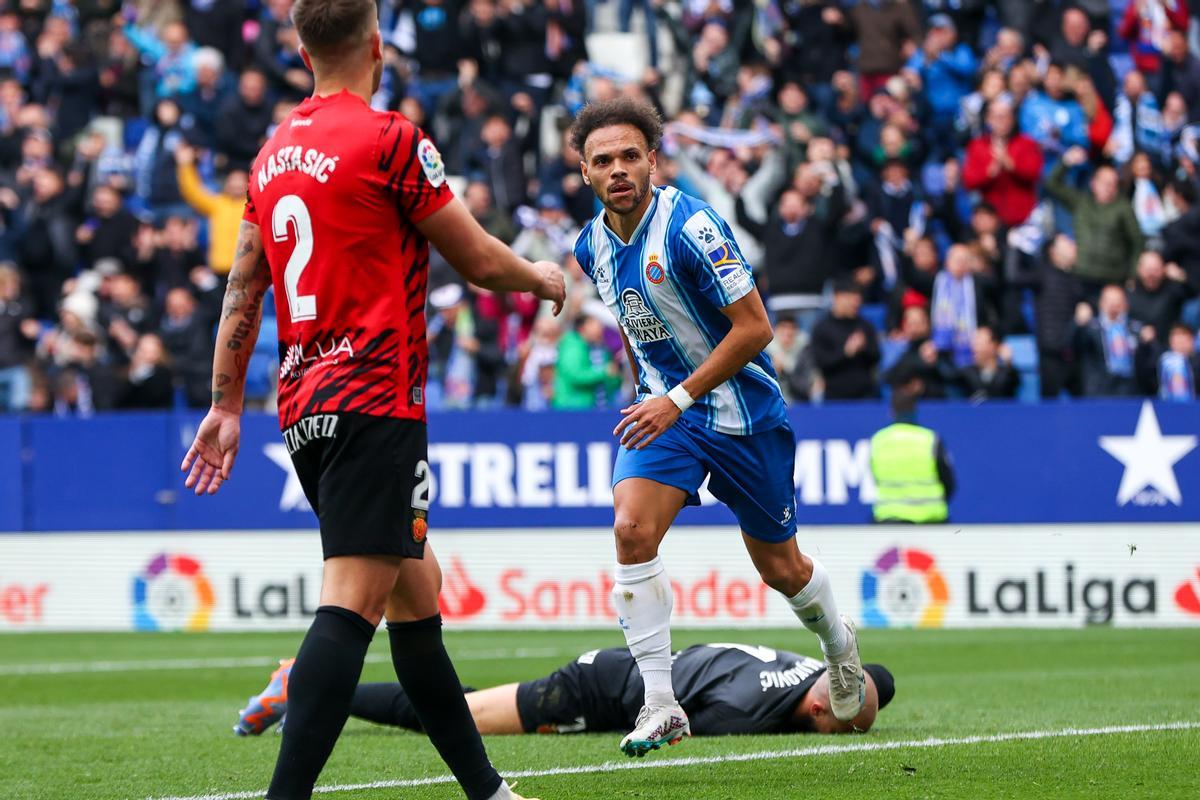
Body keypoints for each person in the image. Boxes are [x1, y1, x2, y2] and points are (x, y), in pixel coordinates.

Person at [180, 2, 564, 799]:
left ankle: (486, 790)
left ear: (299, 47)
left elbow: (243, 286)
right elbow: (481, 261)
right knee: (352, 603)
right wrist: (543, 276)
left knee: (414, 604)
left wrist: (225, 404)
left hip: (304, 406)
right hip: (374, 401)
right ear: (378, 45)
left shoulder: (273, 152)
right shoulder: (391, 139)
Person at [568, 97, 866, 759]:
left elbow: (756, 328)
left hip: (743, 414)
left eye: (628, 156)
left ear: (652, 160)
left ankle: (839, 646)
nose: (617, 169)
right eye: (602, 160)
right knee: (631, 528)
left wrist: (674, 396)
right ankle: (660, 702)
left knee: (782, 569)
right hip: (667, 412)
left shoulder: (693, 228)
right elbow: (634, 326)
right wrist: (651, 393)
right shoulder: (590, 245)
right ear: (585, 174)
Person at [235, 641, 895, 739]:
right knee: (455, 717)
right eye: (841, 724)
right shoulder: (755, 708)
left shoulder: (800, 669)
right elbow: (706, 725)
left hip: (620, 675)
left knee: (457, 702)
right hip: (598, 690)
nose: (835, 730)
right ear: (817, 701)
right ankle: (308, 683)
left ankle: (312, 686)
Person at [869, 381, 955, 524]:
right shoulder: (930, 439)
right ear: (915, 410)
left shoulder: (879, 440)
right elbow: (948, 481)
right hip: (931, 519)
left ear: (892, 412)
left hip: (890, 519)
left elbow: (875, 477)